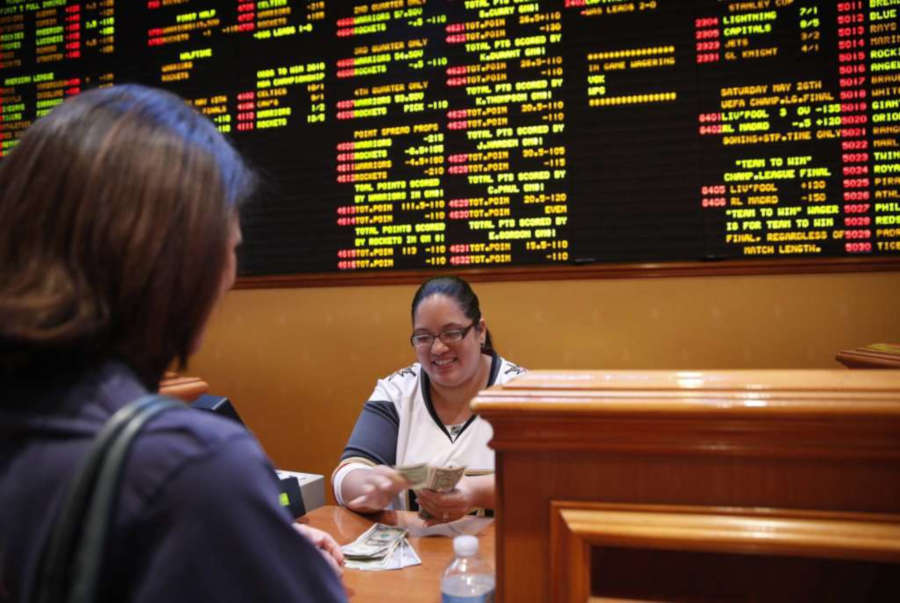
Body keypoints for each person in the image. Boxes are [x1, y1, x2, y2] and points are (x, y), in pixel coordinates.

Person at [0, 85, 346, 602]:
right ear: (179, 262)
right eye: (228, 249)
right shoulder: (188, 466)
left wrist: (237, 540)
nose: (229, 276)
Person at [332, 276, 525, 523]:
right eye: (423, 337)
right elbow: (346, 473)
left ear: (480, 332)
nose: (437, 349)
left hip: (507, 553)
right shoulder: (396, 392)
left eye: (452, 333)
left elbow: (551, 481)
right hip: (418, 556)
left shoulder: (522, 392)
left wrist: (476, 492)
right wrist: (368, 485)